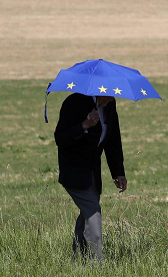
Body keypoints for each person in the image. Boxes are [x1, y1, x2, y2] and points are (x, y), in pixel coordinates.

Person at [54, 93, 127, 262]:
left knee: (86, 215)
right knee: (93, 212)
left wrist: (118, 172)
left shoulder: (109, 104)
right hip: (74, 172)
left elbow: (113, 139)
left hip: (92, 174)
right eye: (108, 94)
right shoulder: (74, 102)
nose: (111, 98)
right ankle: (97, 264)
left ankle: (78, 258)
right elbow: (60, 138)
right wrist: (85, 125)